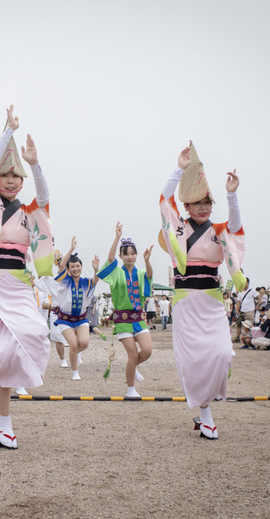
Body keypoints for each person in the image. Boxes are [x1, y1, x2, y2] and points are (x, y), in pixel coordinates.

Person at [0, 105, 54, 449]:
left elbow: (45, 197)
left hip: (19, 283)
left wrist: (34, 165)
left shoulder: (30, 213)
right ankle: (4, 423)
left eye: (15, 176)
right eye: (5, 175)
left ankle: (4, 418)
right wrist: (7, 132)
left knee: (35, 333)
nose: (9, 180)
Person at [159, 141, 245, 439]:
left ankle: (206, 403)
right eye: (198, 203)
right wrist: (179, 169)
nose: (204, 207)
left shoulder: (219, 231)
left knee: (223, 354)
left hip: (211, 301)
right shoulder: (178, 228)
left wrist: (231, 195)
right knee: (193, 359)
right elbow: (163, 199)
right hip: (185, 301)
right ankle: (205, 412)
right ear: (187, 206)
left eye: (208, 203)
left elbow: (235, 226)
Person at [97, 223, 153, 397]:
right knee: (132, 355)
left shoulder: (142, 272)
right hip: (122, 319)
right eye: (126, 254)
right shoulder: (116, 273)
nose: (130, 257)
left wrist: (147, 260)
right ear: (121, 256)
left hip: (139, 317)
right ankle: (131, 390)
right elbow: (111, 260)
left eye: (132, 253)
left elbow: (150, 276)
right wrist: (117, 238)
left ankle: (133, 367)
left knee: (147, 351)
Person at [36, 237, 99, 381]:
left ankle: (74, 353)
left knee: (84, 343)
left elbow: (95, 281)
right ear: (69, 269)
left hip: (81, 319)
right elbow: (61, 265)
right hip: (65, 320)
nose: (75, 269)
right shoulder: (64, 281)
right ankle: (75, 371)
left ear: (81, 267)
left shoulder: (85, 282)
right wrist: (71, 249)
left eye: (78, 266)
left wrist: (96, 270)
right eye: (73, 267)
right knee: (74, 344)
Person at [234, 278, 256, 345]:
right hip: (242, 311)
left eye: (245, 282)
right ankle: (237, 337)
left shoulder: (252, 291)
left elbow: (258, 297)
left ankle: (251, 338)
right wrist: (237, 309)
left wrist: (259, 304)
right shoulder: (240, 291)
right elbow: (239, 301)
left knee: (249, 325)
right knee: (239, 324)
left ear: (248, 283)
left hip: (249, 311)